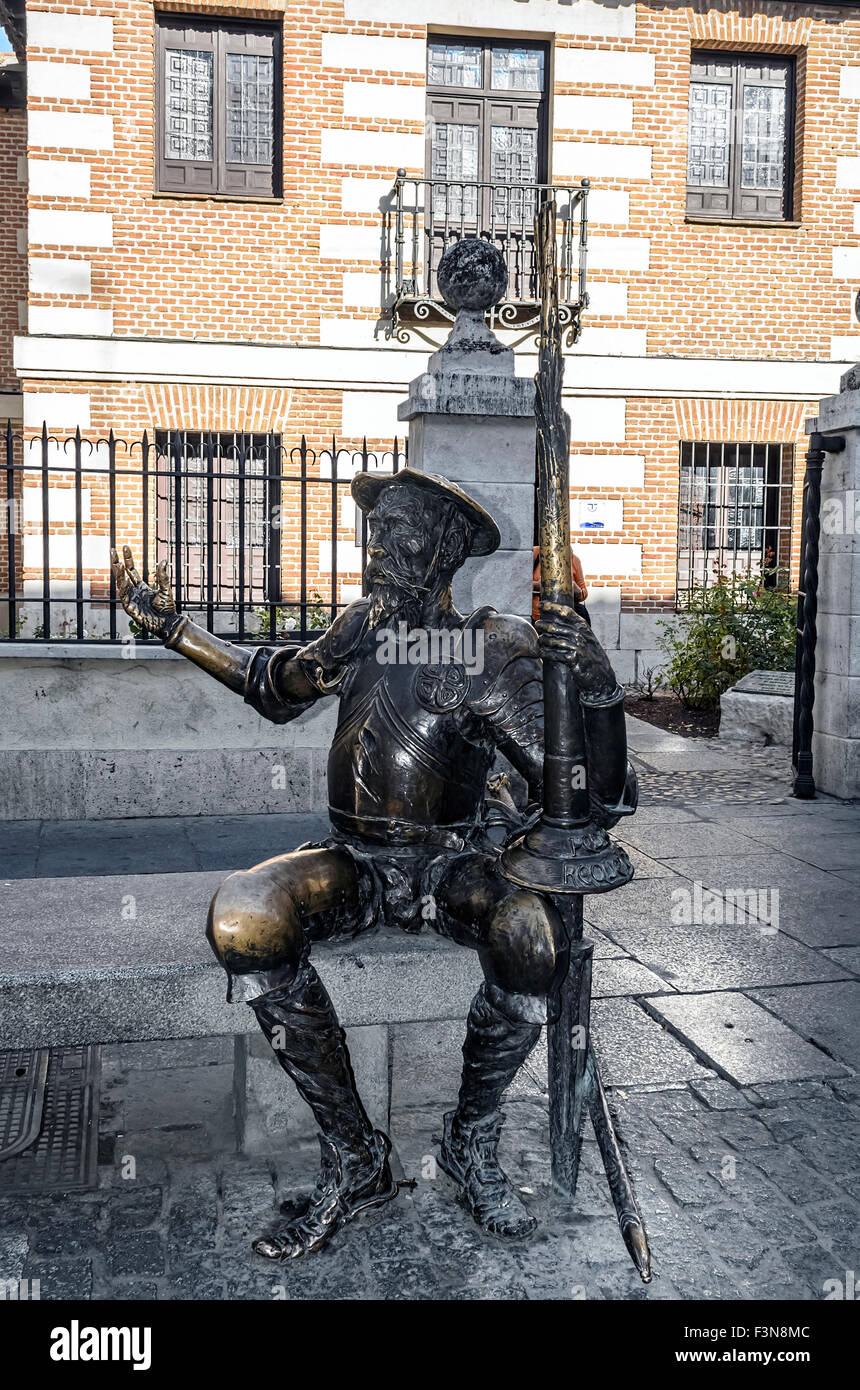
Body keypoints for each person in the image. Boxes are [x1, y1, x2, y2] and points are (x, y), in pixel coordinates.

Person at [110, 468, 634, 1260]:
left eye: (406, 533)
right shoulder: (364, 628)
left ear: (450, 550)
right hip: (352, 861)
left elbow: (585, 798)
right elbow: (274, 686)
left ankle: (470, 1139)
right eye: (377, 531)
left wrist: (597, 693)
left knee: (529, 934)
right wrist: (174, 629)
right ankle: (357, 1158)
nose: (381, 547)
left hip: (447, 866)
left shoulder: (491, 651)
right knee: (244, 915)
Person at [532, 544, 591, 626]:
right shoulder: (535, 553)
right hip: (537, 616)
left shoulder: (575, 560)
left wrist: (577, 590)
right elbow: (518, 583)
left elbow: (583, 594)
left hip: (565, 616)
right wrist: (537, 585)